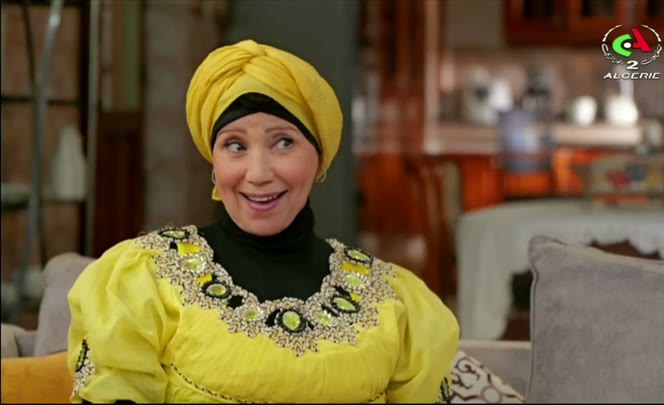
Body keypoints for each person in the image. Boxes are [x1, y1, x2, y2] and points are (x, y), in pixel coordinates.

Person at [66, 39, 459, 404]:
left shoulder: (392, 301)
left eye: (283, 142)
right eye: (235, 145)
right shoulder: (146, 278)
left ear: (319, 156)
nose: (257, 173)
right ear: (214, 161)